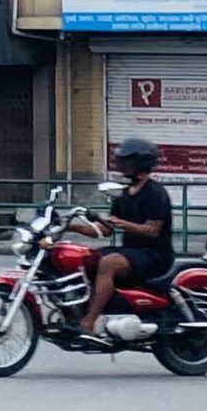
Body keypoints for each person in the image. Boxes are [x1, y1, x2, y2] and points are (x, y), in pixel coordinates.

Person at [78, 137, 174, 340]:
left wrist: (121, 223)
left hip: (155, 256)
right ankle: (88, 310)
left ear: (141, 163)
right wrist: (67, 225)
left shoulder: (155, 193)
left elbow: (152, 230)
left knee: (108, 263)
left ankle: (89, 320)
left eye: (127, 160)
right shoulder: (124, 194)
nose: (120, 164)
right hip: (132, 252)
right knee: (86, 258)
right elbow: (105, 230)